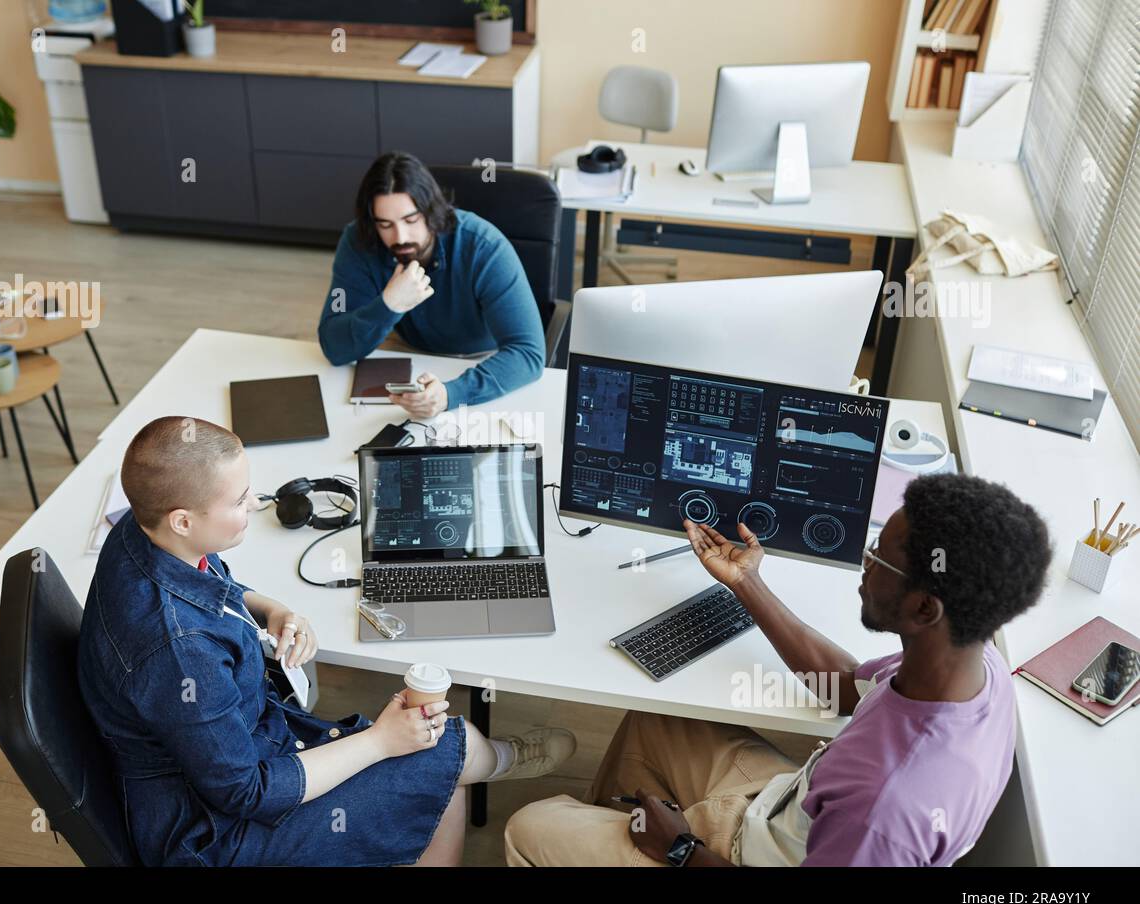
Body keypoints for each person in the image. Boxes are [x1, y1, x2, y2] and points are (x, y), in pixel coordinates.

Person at [78, 415, 575, 865]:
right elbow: (247, 793)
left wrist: (270, 607)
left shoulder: (140, 529)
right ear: (183, 520)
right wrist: (380, 742)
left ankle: (486, 761)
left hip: (232, 751)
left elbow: (208, 581)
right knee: (442, 747)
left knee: (439, 751)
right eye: (237, 500)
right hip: (213, 833)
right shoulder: (179, 652)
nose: (255, 503)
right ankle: (495, 761)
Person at [505, 473, 1051, 867]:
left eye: (877, 556)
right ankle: (615, 833)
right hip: (782, 807)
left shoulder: (883, 813)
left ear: (923, 607)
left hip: (759, 852)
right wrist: (746, 583)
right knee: (656, 719)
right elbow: (843, 686)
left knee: (529, 826)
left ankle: (620, 843)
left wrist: (679, 850)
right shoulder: (973, 666)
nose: (864, 562)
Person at [317, 151, 545, 419]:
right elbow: (333, 345)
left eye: (411, 220)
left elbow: (528, 354)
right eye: (385, 224)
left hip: (481, 361)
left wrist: (450, 394)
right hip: (404, 353)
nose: (400, 237)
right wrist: (389, 305)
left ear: (432, 210)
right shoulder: (358, 242)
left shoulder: (485, 247)